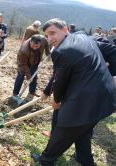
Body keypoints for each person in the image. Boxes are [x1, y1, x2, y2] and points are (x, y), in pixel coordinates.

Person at [35, 18, 116, 166]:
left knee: (63, 131)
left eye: (53, 33)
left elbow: (60, 81)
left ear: (65, 29)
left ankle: (45, 160)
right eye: (46, 35)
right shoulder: (83, 36)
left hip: (85, 101)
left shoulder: (61, 51)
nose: (49, 38)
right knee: (83, 131)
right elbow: (112, 50)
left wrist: (56, 100)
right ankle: (85, 160)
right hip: (106, 98)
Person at [13, 34, 50, 101]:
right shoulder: (24, 50)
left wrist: (48, 53)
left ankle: (32, 92)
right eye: (33, 46)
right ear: (30, 42)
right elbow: (23, 64)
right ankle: (15, 93)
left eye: (37, 46)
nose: (34, 48)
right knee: (20, 77)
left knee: (34, 77)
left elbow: (46, 44)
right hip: (23, 63)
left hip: (35, 62)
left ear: (40, 43)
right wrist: (28, 76)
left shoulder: (43, 40)